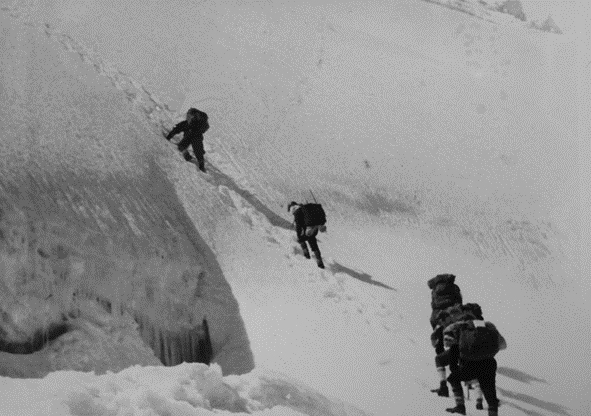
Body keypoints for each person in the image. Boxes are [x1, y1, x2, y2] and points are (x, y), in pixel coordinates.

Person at [437, 319, 504, 416]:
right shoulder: (486, 328)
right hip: (490, 363)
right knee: (491, 395)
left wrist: (460, 371)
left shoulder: (458, 334)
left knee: (453, 378)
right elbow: (502, 345)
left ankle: (460, 406)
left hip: (471, 365)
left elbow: (453, 365)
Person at [427, 274, 463, 397]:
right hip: (453, 319)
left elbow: (433, 305)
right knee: (454, 346)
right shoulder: (455, 287)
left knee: (439, 348)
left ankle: (443, 385)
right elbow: (460, 303)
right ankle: (457, 372)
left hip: (438, 319)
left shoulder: (435, 290)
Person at [166, 108, 210, 172]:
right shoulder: (186, 124)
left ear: (194, 118)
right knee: (181, 146)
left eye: (189, 117)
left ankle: (201, 166)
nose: (187, 118)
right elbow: (177, 129)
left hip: (196, 136)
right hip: (189, 135)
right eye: (187, 116)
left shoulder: (197, 126)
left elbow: (198, 150)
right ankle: (187, 157)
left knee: (198, 151)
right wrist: (168, 137)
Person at [287, 201, 325, 269]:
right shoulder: (302, 208)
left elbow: (298, 226)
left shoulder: (296, 211)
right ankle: (320, 262)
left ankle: (306, 255)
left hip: (309, 229)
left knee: (302, 239)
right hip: (314, 226)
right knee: (312, 241)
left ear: (291, 208)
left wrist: (299, 237)